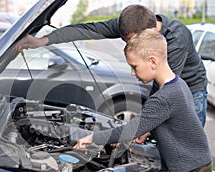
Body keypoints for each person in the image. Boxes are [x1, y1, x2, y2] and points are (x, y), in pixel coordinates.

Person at [73, 29, 213, 172]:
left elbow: (130, 129)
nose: (132, 73)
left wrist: (92, 138)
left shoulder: (164, 97)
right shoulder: (178, 84)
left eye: (134, 66)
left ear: (152, 61)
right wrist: (148, 130)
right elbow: (176, 122)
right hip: (194, 164)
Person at [16, 4, 208, 127]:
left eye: (132, 41)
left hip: (192, 90)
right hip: (165, 89)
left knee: (187, 145)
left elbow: (163, 90)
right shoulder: (131, 24)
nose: (129, 46)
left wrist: (142, 127)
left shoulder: (176, 39)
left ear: (149, 32)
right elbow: (86, 30)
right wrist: (43, 41)